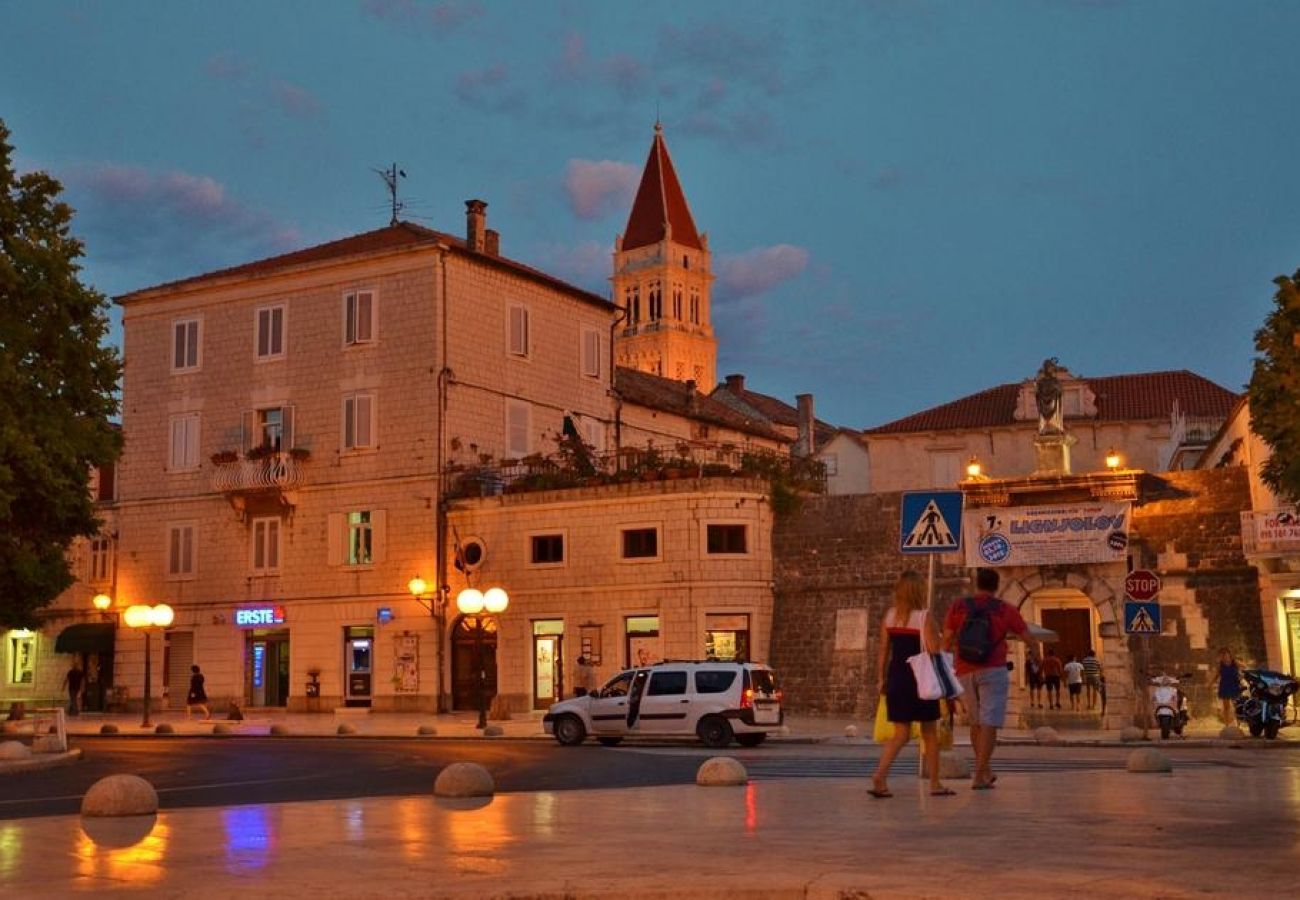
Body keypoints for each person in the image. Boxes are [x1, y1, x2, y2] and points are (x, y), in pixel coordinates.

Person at [942, 567, 1040, 791]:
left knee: (976, 723)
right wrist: (1037, 657)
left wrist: (944, 668)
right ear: (996, 586)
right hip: (993, 669)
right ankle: (979, 774)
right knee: (989, 723)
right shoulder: (1005, 609)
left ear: (976, 584)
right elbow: (1028, 638)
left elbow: (946, 640)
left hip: (964, 669)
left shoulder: (958, 606)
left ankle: (984, 770)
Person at [870, 571, 954, 798]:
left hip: (897, 677)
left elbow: (882, 651)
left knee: (900, 734)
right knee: (929, 732)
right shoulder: (923, 617)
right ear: (918, 590)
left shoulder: (890, 616)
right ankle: (935, 783)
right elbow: (935, 649)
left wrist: (880, 678)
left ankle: (880, 775)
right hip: (920, 680)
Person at [1211, 647, 1242, 726]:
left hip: (1234, 684)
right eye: (1222, 655)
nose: (1224, 656)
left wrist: (1241, 676)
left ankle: (1238, 722)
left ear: (1229, 655)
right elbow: (1216, 675)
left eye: (1225, 654)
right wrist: (1210, 683)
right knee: (1226, 707)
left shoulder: (1235, 662)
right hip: (1225, 685)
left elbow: (1244, 668)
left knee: (1236, 704)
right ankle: (1227, 724)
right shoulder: (1220, 665)